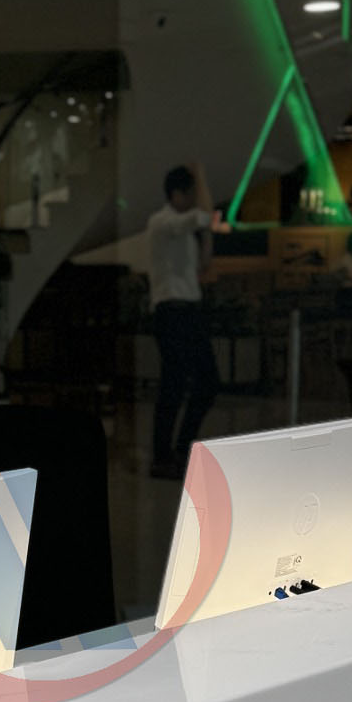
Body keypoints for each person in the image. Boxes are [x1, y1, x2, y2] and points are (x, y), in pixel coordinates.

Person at [146, 162, 220, 478]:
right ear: (177, 194)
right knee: (174, 385)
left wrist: (207, 235)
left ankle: (176, 451)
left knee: (204, 382)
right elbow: (204, 216)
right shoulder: (162, 222)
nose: (192, 200)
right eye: (189, 194)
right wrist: (201, 175)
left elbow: (203, 264)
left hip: (187, 309)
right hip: (172, 310)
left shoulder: (181, 229)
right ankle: (165, 455)